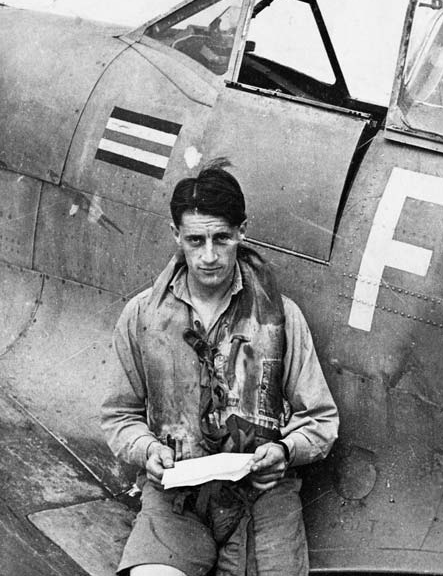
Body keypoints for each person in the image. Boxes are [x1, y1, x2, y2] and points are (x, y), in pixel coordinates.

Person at [101, 159, 339, 576]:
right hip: (178, 499)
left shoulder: (281, 316)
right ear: (176, 235)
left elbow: (320, 419)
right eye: (195, 240)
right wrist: (148, 450)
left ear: (242, 231)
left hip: (262, 498)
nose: (209, 256)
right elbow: (120, 415)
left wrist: (285, 451)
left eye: (221, 238)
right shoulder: (141, 316)